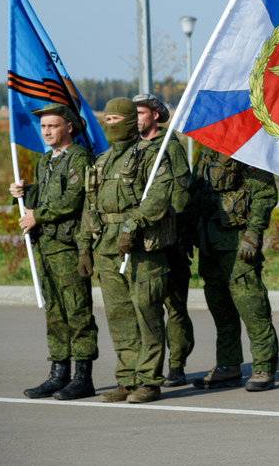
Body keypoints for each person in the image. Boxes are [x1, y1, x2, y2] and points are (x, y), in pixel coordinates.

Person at [76, 97, 174, 404]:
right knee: (119, 318)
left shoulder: (152, 156)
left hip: (141, 248)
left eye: (117, 119)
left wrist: (133, 225)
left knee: (146, 313)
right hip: (107, 249)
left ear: (133, 121)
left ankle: (149, 380)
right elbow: (90, 206)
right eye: (107, 120)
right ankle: (127, 378)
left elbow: (158, 197)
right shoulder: (101, 161)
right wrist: (83, 247)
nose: (111, 125)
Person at [9, 104, 99, 401]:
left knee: (77, 310)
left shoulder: (80, 157)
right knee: (55, 312)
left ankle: (82, 377)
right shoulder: (46, 160)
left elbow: (74, 200)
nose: (47, 131)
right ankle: (58, 373)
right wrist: (24, 194)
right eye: (44, 127)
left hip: (69, 247)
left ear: (69, 127)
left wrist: (37, 215)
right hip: (46, 246)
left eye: (53, 126)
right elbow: (47, 197)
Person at [191, 145, 279, 393]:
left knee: (253, 308)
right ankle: (228, 366)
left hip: (238, 245)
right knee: (221, 311)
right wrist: (185, 234)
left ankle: (264, 366)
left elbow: (265, 193)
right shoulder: (206, 152)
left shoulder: (246, 148)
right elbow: (194, 193)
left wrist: (253, 233)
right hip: (209, 244)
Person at [133, 93, 195, 388]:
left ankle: (177, 364)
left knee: (175, 305)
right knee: (146, 305)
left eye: (141, 112)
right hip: (142, 242)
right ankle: (145, 366)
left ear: (155, 115)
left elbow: (183, 190)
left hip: (170, 240)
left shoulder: (169, 146)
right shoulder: (131, 148)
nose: (136, 118)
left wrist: (182, 235)